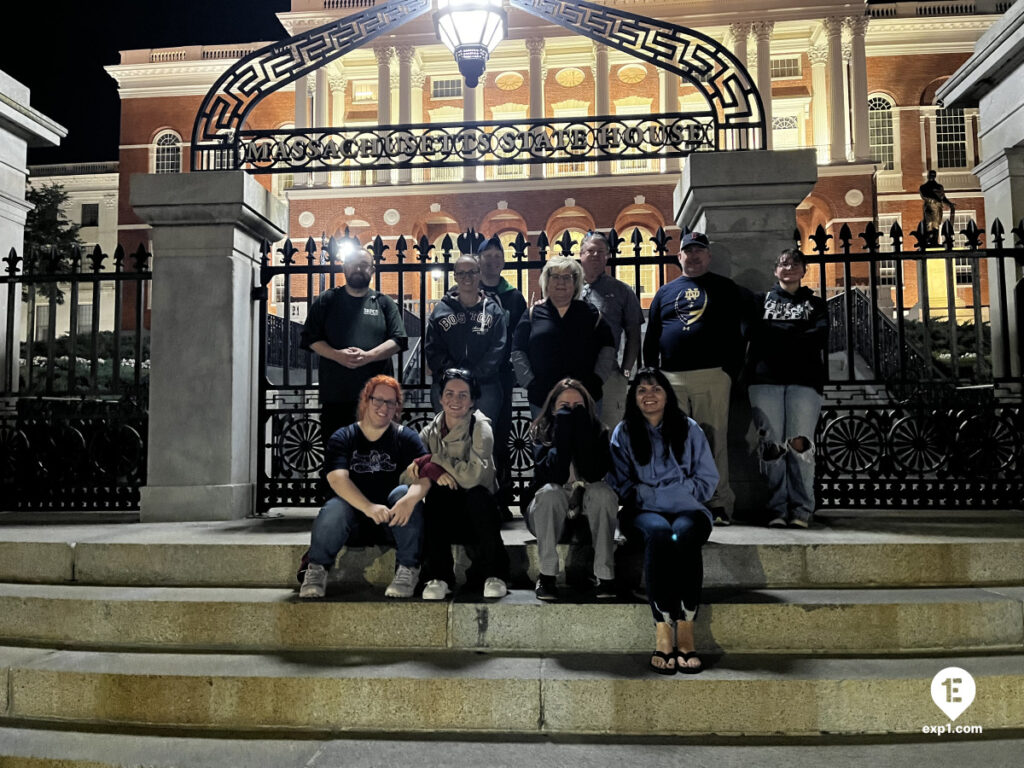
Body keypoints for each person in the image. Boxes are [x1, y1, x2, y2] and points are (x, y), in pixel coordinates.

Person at [608, 368, 718, 674]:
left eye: (655, 389)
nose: (649, 396)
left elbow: (707, 480)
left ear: (667, 394)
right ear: (634, 398)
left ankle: (686, 627)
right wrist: (667, 496)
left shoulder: (689, 428)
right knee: (659, 534)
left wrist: (669, 495)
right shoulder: (625, 432)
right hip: (642, 513)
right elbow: (621, 485)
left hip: (689, 511)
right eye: (641, 390)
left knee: (681, 535)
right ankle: (662, 627)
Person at [642, 231, 748, 526]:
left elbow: (739, 333)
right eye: (688, 251)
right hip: (670, 379)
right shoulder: (665, 292)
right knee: (672, 444)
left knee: (713, 441)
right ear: (680, 257)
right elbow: (651, 337)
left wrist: (730, 371)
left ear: (708, 256)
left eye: (699, 250)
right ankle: (681, 502)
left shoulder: (725, 288)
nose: (694, 255)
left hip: (711, 375)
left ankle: (718, 504)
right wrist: (651, 377)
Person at [298, 375, 429, 600]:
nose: (383, 407)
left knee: (404, 494)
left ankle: (408, 569)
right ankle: (316, 569)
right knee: (335, 507)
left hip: (392, 518)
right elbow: (337, 479)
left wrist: (410, 499)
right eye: (378, 400)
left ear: (397, 407)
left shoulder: (405, 437)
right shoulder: (344, 436)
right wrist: (368, 507)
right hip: (353, 520)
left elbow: (425, 475)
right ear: (366, 401)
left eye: (391, 402)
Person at [745, 249, 829, 528]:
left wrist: (777, 334)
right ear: (775, 270)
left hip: (804, 381)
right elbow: (752, 332)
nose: (789, 267)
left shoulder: (816, 304)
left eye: (795, 264)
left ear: (804, 270)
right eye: (783, 263)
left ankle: (802, 509)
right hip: (764, 381)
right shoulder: (759, 301)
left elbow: (820, 335)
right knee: (771, 447)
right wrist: (796, 333)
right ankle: (777, 509)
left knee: (800, 445)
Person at [410, 368, 510, 600]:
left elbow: (473, 477)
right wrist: (430, 469)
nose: (455, 400)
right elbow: (407, 472)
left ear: (472, 399)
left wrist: (434, 460)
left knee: (477, 495)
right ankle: (440, 576)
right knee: (436, 495)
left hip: (480, 515)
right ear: (441, 397)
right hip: (448, 515)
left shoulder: (481, 427)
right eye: (450, 393)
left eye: (463, 395)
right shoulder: (431, 429)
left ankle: (494, 574)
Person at [301, 247, 408, 454]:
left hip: (378, 400)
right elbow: (310, 338)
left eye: (363, 265)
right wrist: (337, 356)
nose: (358, 269)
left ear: (372, 270)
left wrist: (368, 357)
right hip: (336, 397)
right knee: (337, 459)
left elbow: (398, 340)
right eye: (353, 264)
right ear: (344, 267)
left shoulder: (384, 303)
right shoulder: (327, 300)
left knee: (379, 460)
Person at [524, 378, 619, 601]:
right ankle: (546, 575)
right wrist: (564, 433)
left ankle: (605, 576)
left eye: (578, 407)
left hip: (587, 509)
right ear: (553, 408)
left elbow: (594, 473)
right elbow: (553, 475)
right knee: (551, 492)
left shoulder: (599, 432)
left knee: (603, 493)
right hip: (547, 512)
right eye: (564, 407)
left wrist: (583, 435)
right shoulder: (541, 432)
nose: (571, 412)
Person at [511, 257, 616, 417]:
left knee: (585, 441)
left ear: (576, 282)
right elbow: (518, 351)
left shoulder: (591, 314)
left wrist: (597, 380)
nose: (561, 282)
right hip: (543, 400)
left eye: (567, 277)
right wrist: (530, 384)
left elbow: (608, 348)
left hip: (586, 397)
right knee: (545, 441)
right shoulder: (532, 314)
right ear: (547, 281)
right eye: (556, 277)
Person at [477, 235, 528, 518]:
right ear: (479, 259)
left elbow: (520, 336)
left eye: (498, 256)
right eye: (488, 256)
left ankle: (501, 496)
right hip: (472, 378)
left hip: (501, 377)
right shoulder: (469, 291)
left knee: (500, 434)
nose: (493, 261)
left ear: (504, 262)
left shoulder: (514, 297)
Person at [425, 252, 507, 421]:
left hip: (485, 386)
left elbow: (499, 346)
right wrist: (455, 375)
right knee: (449, 436)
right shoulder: (441, 310)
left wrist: (475, 374)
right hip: (448, 385)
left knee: (483, 436)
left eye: (472, 272)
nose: (467, 277)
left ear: (479, 274)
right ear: (455, 276)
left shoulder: (492, 309)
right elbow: (433, 347)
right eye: (461, 273)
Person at [578, 231, 644, 430]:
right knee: (577, 434)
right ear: (581, 254)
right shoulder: (567, 288)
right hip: (573, 373)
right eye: (591, 250)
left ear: (608, 256)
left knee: (609, 432)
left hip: (609, 376)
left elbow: (634, 333)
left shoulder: (621, 291)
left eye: (601, 251)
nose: (596, 255)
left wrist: (625, 372)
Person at [920, 169, 956, 247]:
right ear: (928, 176)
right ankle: (928, 240)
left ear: (935, 176)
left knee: (936, 224)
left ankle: (935, 241)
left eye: (933, 175)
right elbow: (924, 196)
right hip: (929, 207)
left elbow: (943, 198)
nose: (931, 176)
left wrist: (949, 204)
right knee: (929, 223)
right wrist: (934, 200)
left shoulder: (939, 187)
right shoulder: (924, 187)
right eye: (930, 175)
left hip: (938, 208)